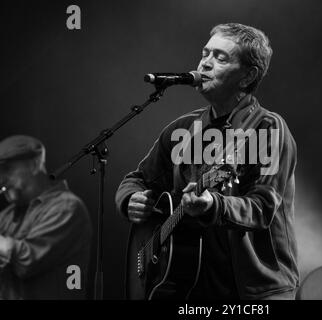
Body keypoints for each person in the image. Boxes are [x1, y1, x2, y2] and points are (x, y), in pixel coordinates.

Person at [116, 23, 299, 300]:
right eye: (205, 53)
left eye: (220, 57)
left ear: (247, 76)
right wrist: (130, 199)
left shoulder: (266, 128)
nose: (205, 62)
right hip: (193, 287)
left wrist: (214, 204)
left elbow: (262, 208)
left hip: (256, 290)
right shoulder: (183, 128)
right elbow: (137, 179)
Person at [0, 135, 92, 299]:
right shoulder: (7, 215)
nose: (1, 179)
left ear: (34, 165)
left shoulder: (66, 208)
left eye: (6, 169)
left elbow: (27, 261)